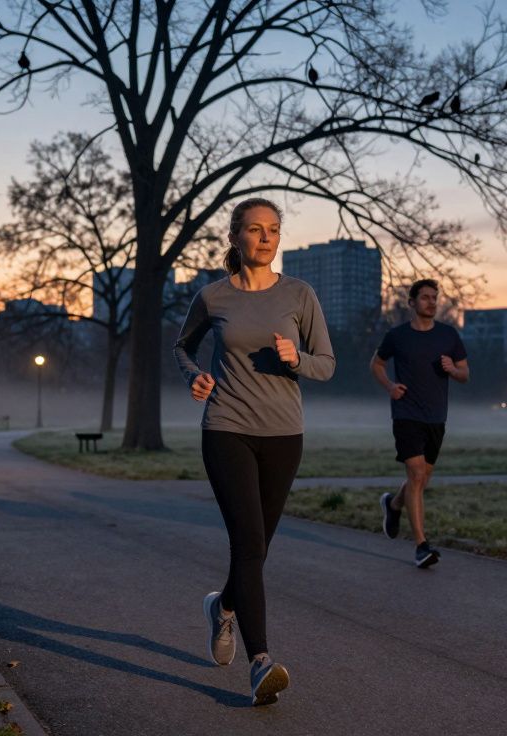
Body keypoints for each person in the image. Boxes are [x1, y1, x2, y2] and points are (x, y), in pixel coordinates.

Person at [173, 197, 334, 706]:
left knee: (258, 547)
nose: (265, 238)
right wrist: (195, 376)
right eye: (255, 229)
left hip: (285, 434)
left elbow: (327, 364)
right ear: (234, 237)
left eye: (274, 230)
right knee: (247, 542)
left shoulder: (300, 294)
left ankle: (223, 608)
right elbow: (183, 347)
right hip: (226, 428)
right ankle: (260, 661)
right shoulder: (212, 297)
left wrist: (297, 360)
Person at [370, 279, 469, 568]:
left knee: (422, 479)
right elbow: (376, 364)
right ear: (411, 303)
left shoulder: (448, 335)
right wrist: (390, 386)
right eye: (425, 297)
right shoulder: (397, 336)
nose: (431, 302)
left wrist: (453, 370)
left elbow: (465, 373)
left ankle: (393, 504)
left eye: (434, 298)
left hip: (436, 416)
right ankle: (421, 546)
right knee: (415, 475)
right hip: (406, 414)